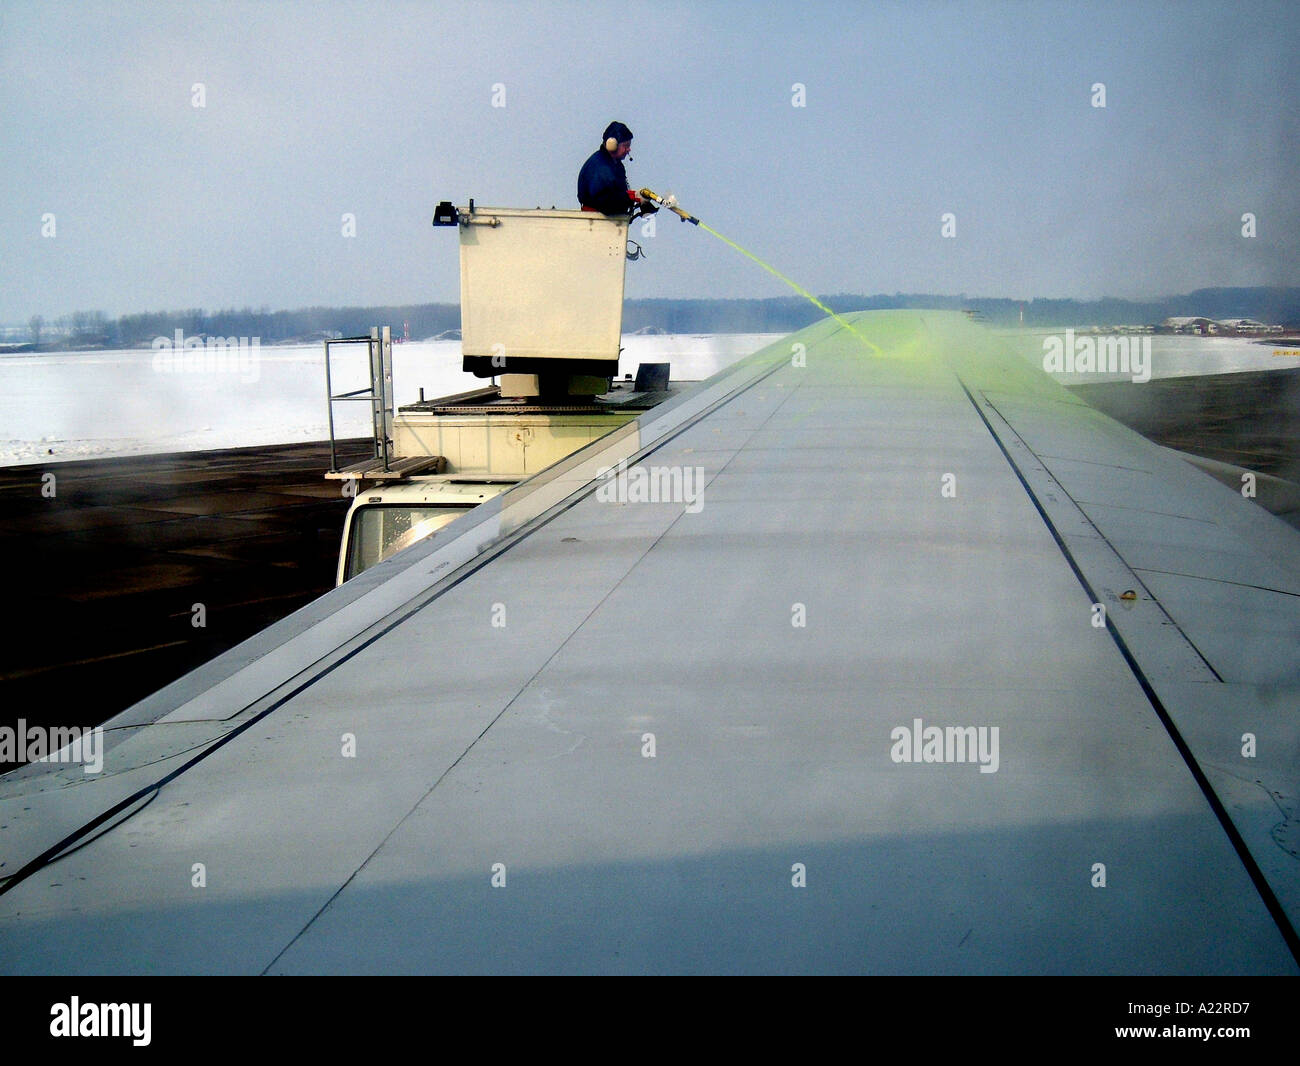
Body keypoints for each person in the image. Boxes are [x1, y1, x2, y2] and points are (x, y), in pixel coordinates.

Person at [577, 121, 646, 216]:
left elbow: (618, 195)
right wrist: (631, 198)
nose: (628, 149)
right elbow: (604, 201)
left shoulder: (616, 166)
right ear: (612, 145)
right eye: (625, 146)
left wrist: (635, 199)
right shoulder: (601, 167)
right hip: (597, 221)